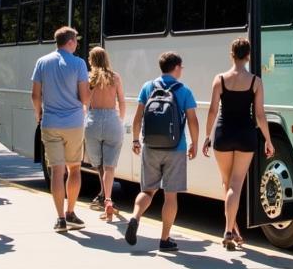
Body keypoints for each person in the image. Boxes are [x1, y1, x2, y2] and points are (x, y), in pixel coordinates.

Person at [202, 38, 273, 250]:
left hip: (223, 134)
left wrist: (207, 136)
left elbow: (213, 110)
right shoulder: (255, 81)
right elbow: (259, 115)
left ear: (231, 54)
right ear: (248, 55)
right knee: (235, 185)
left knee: (227, 184)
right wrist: (268, 139)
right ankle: (229, 229)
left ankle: (231, 229)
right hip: (245, 134)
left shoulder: (220, 79)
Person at [125, 51, 199, 252]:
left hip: (150, 146)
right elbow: (192, 120)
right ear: (176, 67)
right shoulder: (184, 90)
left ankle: (134, 217)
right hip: (176, 148)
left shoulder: (148, 87)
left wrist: (135, 139)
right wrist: (194, 143)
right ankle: (165, 239)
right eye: (181, 67)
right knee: (170, 196)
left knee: (147, 191)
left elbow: (138, 117)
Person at [31, 26, 90, 233]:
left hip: (50, 122)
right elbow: (84, 97)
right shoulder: (79, 64)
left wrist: (38, 114)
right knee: (74, 168)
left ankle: (60, 219)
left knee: (56, 171)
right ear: (70, 42)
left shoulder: (42, 62)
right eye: (76, 41)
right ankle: (71, 212)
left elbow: (35, 95)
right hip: (73, 123)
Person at [84, 46, 126, 221]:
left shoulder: (88, 78)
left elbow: (84, 103)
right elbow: (122, 102)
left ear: (92, 60)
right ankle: (108, 198)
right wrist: (120, 120)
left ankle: (103, 194)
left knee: (99, 164)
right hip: (111, 119)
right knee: (110, 166)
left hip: (93, 120)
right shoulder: (115, 77)